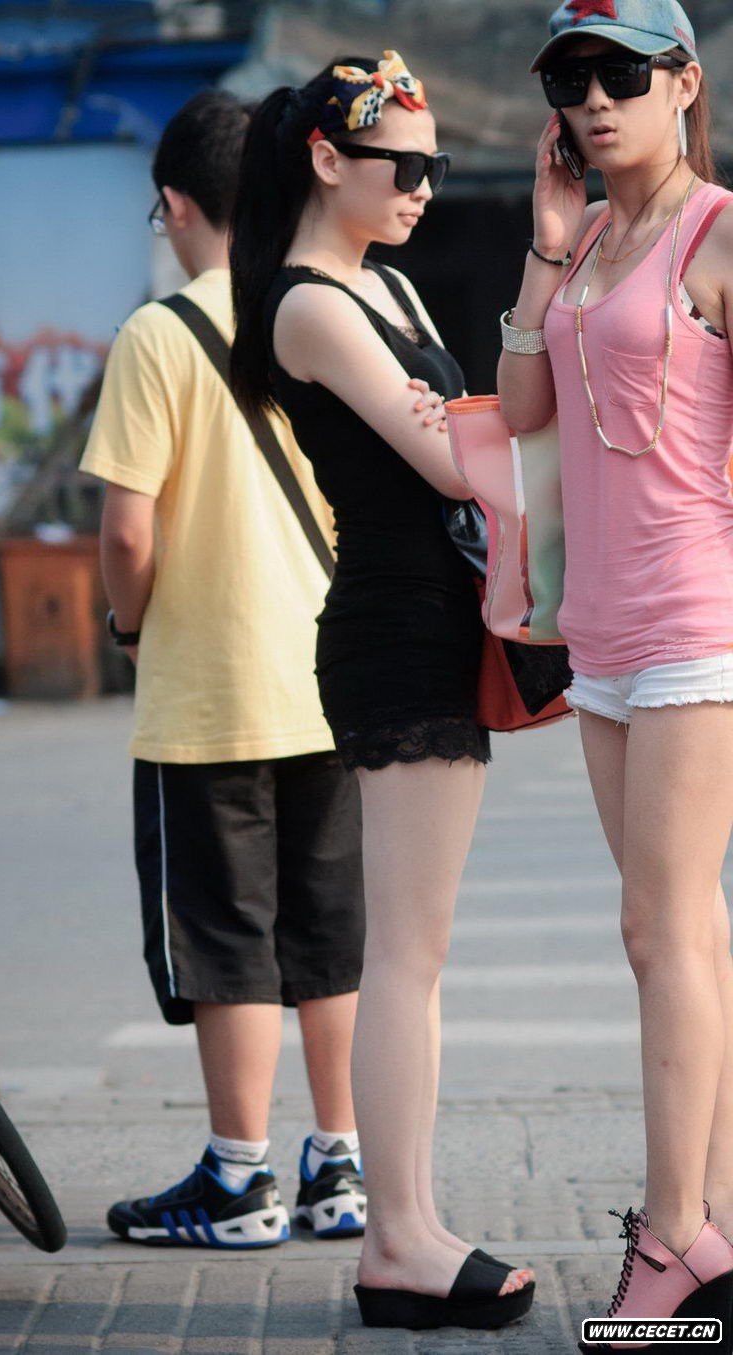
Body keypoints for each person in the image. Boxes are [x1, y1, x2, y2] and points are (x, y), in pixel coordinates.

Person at [229, 52, 535, 1330]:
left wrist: (461, 417)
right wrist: (458, 422)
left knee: (420, 949)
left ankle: (411, 1221)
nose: (421, 186)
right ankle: (396, 1238)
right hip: (390, 632)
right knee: (402, 953)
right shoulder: (306, 304)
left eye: (432, 166)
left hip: (434, 622)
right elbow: (456, 459)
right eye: (400, 164)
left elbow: (471, 425)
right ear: (323, 158)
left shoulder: (387, 284)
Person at [79, 89, 368, 1250]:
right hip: (332, 677)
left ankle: (238, 1178)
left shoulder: (157, 335)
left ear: (178, 204)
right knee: (328, 930)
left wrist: (129, 626)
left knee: (225, 935)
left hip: (207, 693)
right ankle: (339, 1162)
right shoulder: (325, 308)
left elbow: (126, 533)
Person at [498, 0, 733, 1344]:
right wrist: (544, 248)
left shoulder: (719, 233)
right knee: (688, 932)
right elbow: (522, 408)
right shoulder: (586, 239)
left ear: (683, 83)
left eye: (621, 73)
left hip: (700, 619)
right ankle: (719, 1219)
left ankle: (671, 1234)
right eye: (568, 77)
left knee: (661, 928)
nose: (591, 99)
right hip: (600, 628)